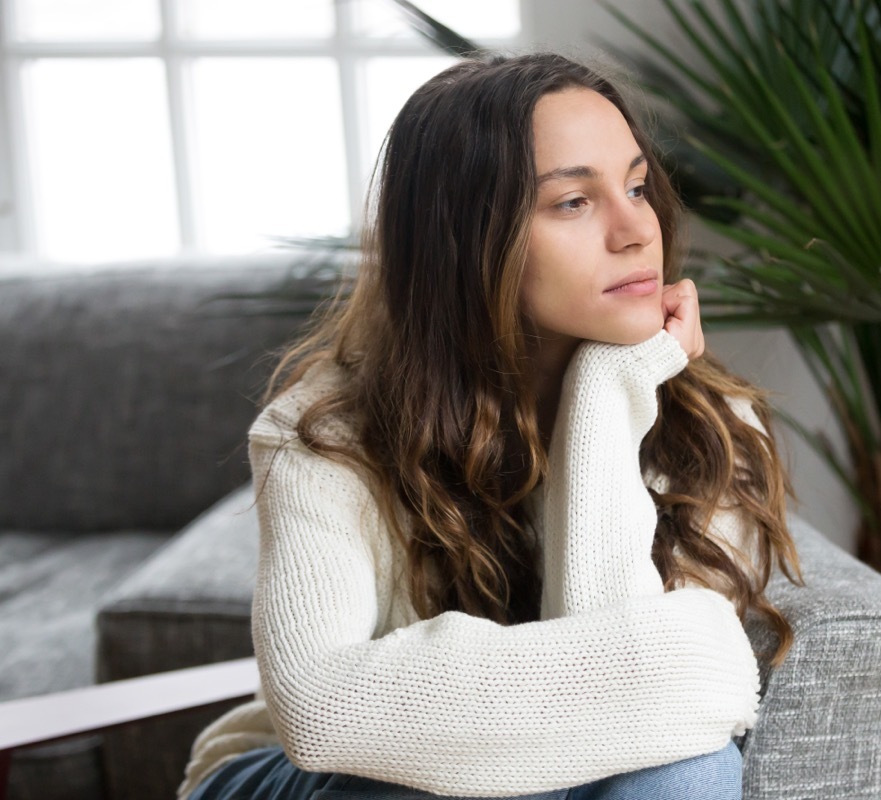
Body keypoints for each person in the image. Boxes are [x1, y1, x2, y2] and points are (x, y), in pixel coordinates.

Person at [178, 52, 803, 800]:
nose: (637, 229)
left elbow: (630, 721)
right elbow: (322, 713)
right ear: (467, 241)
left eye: (636, 186)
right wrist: (689, 664)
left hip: (524, 766)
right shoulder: (325, 434)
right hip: (305, 776)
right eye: (573, 202)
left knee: (684, 766)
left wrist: (607, 399)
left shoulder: (709, 425)